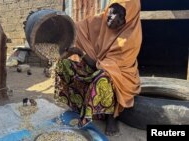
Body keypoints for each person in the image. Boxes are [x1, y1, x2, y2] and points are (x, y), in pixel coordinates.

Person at [55, 0, 142, 136]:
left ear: (128, 20)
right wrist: (58, 28)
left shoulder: (130, 38)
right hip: (95, 66)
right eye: (112, 12)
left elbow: (108, 68)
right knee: (63, 65)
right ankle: (80, 106)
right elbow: (76, 28)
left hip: (118, 76)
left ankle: (111, 117)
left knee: (103, 77)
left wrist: (80, 53)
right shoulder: (99, 20)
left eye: (120, 17)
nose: (112, 18)